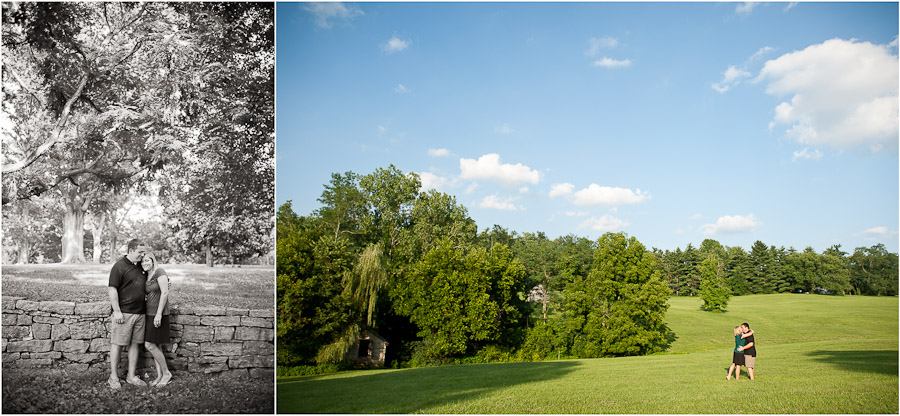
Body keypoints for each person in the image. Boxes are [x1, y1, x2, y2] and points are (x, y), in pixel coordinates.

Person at [108, 239, 148, 389]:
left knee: (135, 345)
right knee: (117, 344)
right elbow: (112, 289)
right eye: (140, 252)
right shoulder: (119, 266)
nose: (142, 255)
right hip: (123, 313)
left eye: (143, 252)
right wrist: (117, 311)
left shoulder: (142, 266)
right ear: (131, 251)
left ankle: (131, 376)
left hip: (141, 313)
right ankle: (113, 377)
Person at [142, 251, 172, 387]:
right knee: (156, 345)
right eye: (142, 261)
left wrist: (159, 314)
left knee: (149, 345)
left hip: (159, 314)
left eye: (147, 260)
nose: (144, 263)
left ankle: (166, 373)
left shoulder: (159, 271)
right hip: (149, 313)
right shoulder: (146, 275)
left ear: (153, 260)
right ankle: (160, 376)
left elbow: (165, 292)